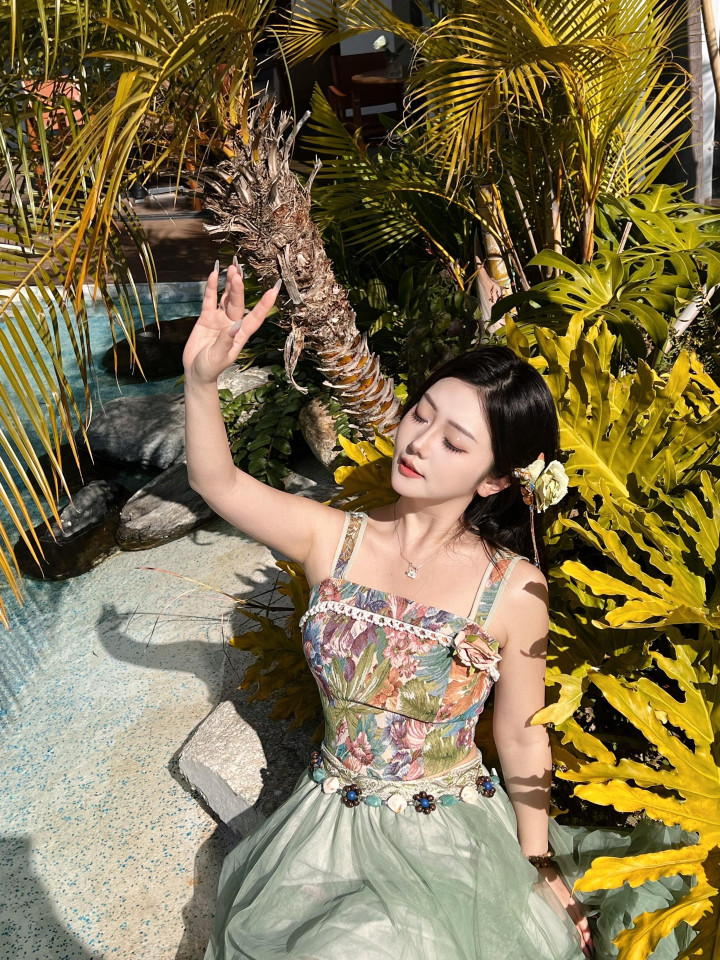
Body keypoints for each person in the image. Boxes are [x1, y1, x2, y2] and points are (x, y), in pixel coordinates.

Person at [184, 263, 696, 960]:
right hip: (327, 825)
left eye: (454, 442)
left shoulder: (513, 589)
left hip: (446, 836)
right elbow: (216, 481)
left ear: (494, 478)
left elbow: (521, 739)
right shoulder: (331, 538)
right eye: (421, 414)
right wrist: (201, 381)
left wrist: (540, 863)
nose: (419, 443)